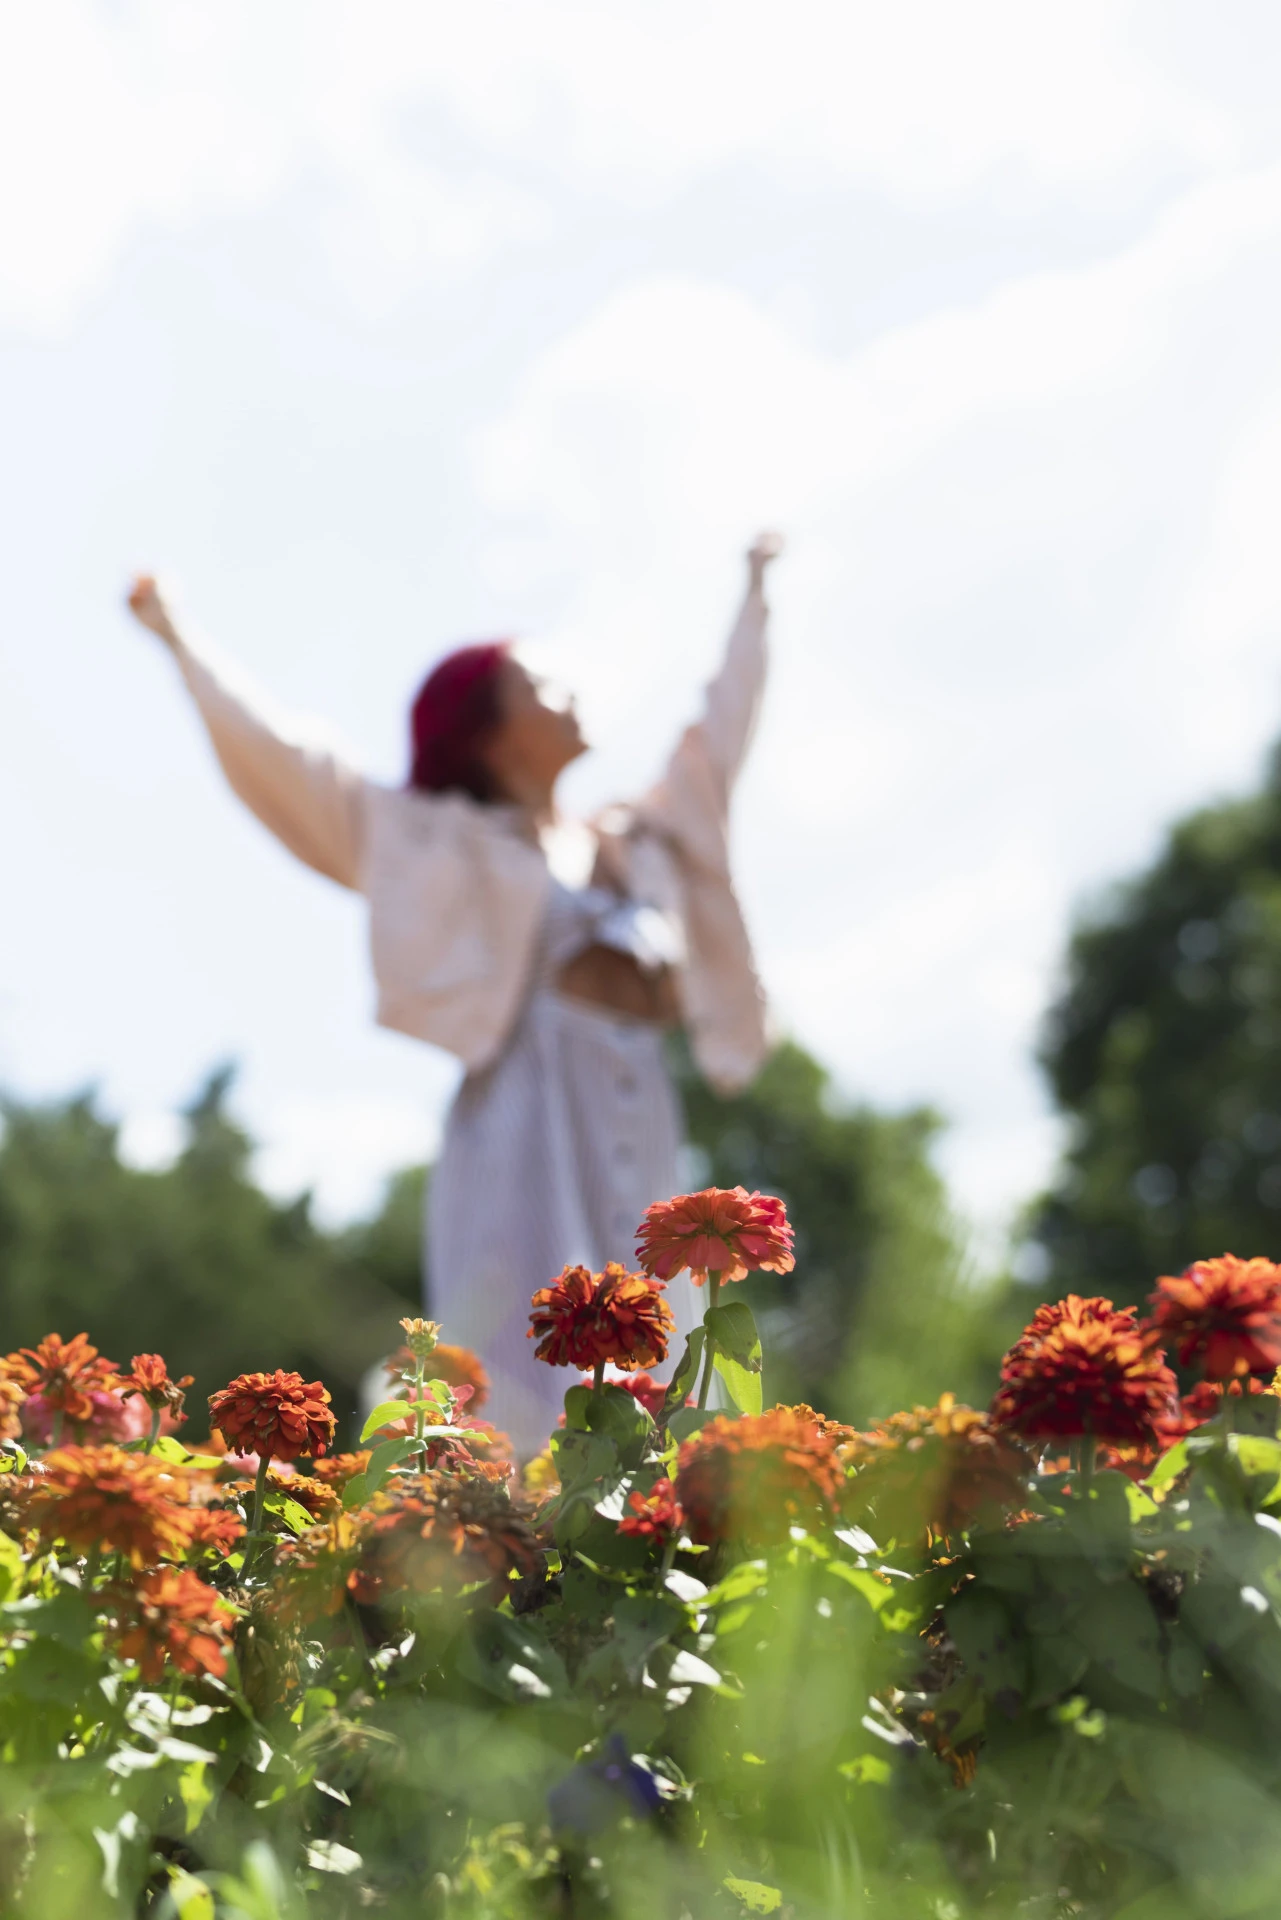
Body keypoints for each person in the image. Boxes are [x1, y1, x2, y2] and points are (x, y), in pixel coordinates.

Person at [126, 535, 782, 1452]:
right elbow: (292, 767)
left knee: (666, 1350)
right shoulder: (436, 846)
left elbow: (717, 738)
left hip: (637, 1114)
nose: (571, 696)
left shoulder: (638, 841)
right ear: (491, 730)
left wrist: (754, 597)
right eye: (542, 688)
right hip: (526, 1123)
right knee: (528, 1361)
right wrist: (181, 641)